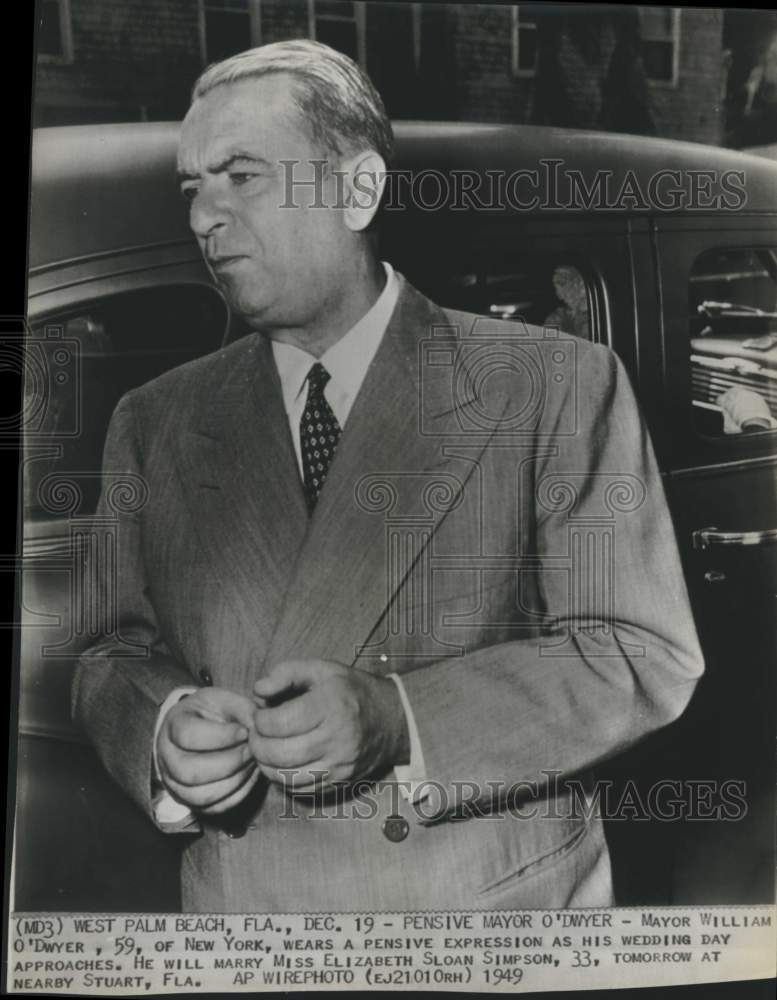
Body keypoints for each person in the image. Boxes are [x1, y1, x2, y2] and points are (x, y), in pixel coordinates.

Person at [72, 39, 704, 913]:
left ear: (358, 189)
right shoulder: (155, 420)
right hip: (250, 922)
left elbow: (638, 653)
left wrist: (401, 717)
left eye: (241, 175)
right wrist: (162, 722)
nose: (203, 218)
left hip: (485, 915)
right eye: (191, 188)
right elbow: (109, 653)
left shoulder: (557, 385)